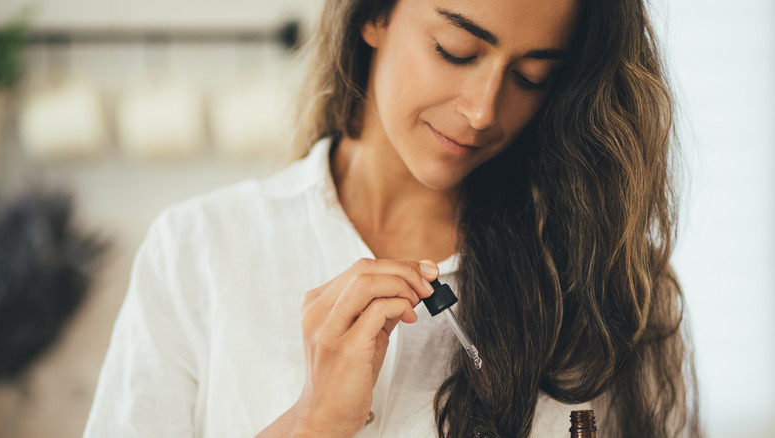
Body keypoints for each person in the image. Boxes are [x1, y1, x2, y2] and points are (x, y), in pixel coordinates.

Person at [84, 0, 702, 436]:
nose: (484, 110)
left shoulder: (612, 286)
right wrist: (313, 423)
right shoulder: (199, 249)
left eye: (530, 76)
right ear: (375, 14)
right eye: (456, 50)